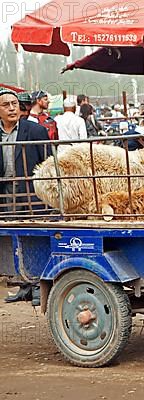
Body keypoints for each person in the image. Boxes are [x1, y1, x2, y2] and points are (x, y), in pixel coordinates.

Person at [0, 89, 49, 306]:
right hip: (5, 192)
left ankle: (39, 285)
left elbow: (47, 163)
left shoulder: (35, 130)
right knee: (14, 238)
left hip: (30, 192)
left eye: (14, 103)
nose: (12, 108)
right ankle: (24, 285)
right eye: (6, 105)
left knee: (34, 234)